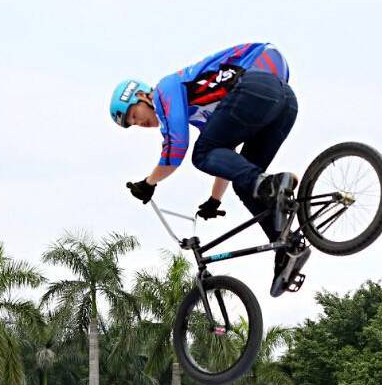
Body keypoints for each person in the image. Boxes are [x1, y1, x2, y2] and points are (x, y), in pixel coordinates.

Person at [113, 43, 305, 298]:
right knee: (246, 183)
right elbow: (227, 155)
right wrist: (215, 200)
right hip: (285, 102)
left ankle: (269, 185)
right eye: (133, 125)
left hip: (258, 85)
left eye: (134, 116)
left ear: (141, 96)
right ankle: (287, 249)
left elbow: (176, 148)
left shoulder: (165, 90)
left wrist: (148, 183)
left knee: (202, 154)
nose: (140, 124)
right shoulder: (203, 109)